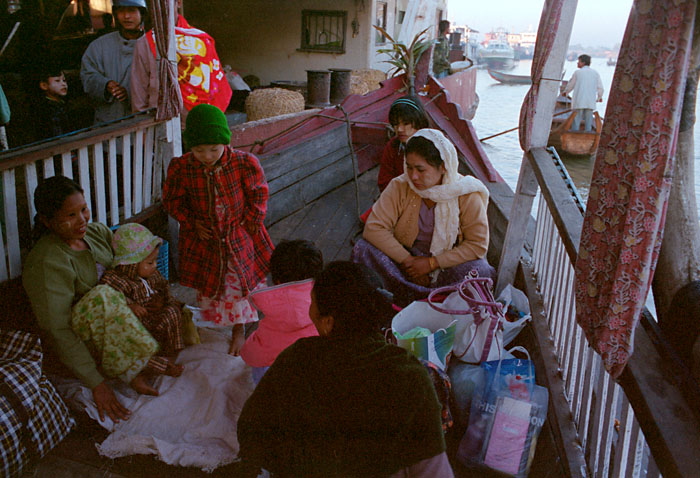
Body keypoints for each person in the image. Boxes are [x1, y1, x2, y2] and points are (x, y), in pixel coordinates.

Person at [237, 261, 453, 477]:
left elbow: (250, 433)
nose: (310, 310)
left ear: (328, 322)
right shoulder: (411, 374)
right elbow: (433, 470)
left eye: (312, 303)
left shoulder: (297, 360)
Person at [22, 176, 173, 423]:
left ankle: (144, 356)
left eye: (83, 209)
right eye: (70, 216)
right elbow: (57, 329)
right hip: (88, 342)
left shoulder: (97, 233)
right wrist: (96, 383)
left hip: (121, 328)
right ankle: (132, 369)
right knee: (102, 295)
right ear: (47, 221)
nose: (82, 220)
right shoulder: (46, 262)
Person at [162, 103, 274, 356]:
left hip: (239, 235)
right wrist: (191, 222)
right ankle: (217, 321)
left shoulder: (244, 163)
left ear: (226, 142)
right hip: (206, 240)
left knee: (238, 285)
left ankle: (238, 330)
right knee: (214, 284)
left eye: (214, 149)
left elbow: (259, 195)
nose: (208, 155)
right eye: (199, 150)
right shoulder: (182, 167)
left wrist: (250, 224)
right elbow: (171, 201)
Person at [353, 128, 495, 306]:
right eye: (409, 167)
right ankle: (415, 297)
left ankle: (416, 297)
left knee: (480, 271)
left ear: (443, 167)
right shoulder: (400, 186)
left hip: (446, 265)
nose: (413, 176)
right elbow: (374, 228)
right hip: (406, 262)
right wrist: (409, 262)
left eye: (420, 169)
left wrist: (431, 264)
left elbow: (477, 245)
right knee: (364, 248)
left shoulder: (466, 194)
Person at [99, 223, 185, 367]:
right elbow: (106, 295)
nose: (155, 266)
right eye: (150, 262)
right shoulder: (117, 279)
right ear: (131, 264)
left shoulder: (153, 275)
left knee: (173, 312)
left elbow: (165, 289)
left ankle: (171, 353)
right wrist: (129, 305)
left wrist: (163, 301)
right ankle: (150, 363)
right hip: (137, 328)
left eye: (156, 261)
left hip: (155, 322)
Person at [130, 5, 232, 122]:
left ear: (177, 2)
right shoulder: (145, 43)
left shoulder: (202, 40)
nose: (161, 8)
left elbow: (217, 87)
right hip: (161, 124)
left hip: (201, 123)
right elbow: (139, 94)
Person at [239, 239, 322, 384]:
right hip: (313, 379)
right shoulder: (326, 304)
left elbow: (251, 354)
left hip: (274, 385)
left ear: (277, 280)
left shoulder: (272, 313)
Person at [80, 0, 146, 125]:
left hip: (143, 124)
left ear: (142, 13)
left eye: (131, 11)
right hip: (109, 123)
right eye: (121, 11)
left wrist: (132, 93)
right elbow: (87, 77)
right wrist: (106, 85)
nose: (126, 16)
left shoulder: (153, 44)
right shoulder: (99, 46)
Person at [378, 96, 430, 192]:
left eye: (406, 123)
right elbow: (384, 183)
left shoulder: (433, 145)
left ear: (419, 121)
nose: (400, 129)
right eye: (396, 124)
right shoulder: (393, 147)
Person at [562, 54, 604, 132]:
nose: (577, 63)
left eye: (579, 62)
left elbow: (571, 85)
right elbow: (600, 88)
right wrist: (599, 97)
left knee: (576, 122)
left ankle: (574, 137)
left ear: (583, 63)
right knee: (588, 123)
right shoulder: (595, 73)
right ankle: (587, 138)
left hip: (579, 101)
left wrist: (566, 92)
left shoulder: (577, 72)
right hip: (590, 102)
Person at [35, 65, 74, 141]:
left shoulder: (62, 104)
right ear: (44, 85)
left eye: (64, 80)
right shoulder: (48, 108)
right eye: (57, 81)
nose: (63, 84)